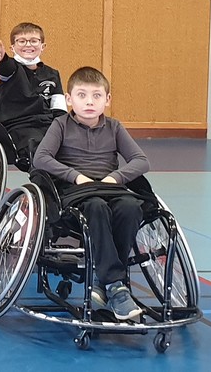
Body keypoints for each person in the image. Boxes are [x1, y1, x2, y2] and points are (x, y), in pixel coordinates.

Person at [33, 66, 149, 321]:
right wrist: (76, 176)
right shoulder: (60, 125)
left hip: (109, 187)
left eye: (97, 96)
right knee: (96, 206)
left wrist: (115, 177)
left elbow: (141, 161)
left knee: (131, 207)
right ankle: (117, 288)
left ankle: (102, 281)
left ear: (107, 100)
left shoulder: (114, 127)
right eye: (82, 95)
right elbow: (41, 159)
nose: (89, 102)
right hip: (76, 194)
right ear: (69, 100)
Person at [0, 22, 66, 166]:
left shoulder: (52, 74)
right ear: (12, 47)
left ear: (43, 46)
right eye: (22, 41)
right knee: (40, 147)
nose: (28, 45)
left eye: (34, 41)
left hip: (46, 124)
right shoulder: (12, 68)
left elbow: (59, 109)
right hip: (19, 125)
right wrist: (1, 59)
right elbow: (5, 68)